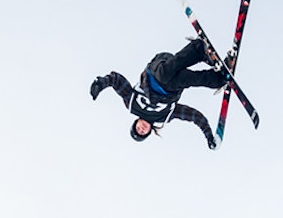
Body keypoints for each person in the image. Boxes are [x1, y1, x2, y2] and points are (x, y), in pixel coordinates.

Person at [90, 38, 229, 149]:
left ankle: (199, 48)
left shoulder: (131, 104)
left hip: (155, 72)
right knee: (189, 79)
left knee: (164, 74)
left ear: (136, 122)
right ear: (150, 131)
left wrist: (100, 84)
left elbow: (117, 81)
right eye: (143, 132)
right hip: (172, 87)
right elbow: (195, 116)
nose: (142, 129)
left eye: (138, 128)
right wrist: (209, 136)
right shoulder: (165, 116)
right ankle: (220, 77)